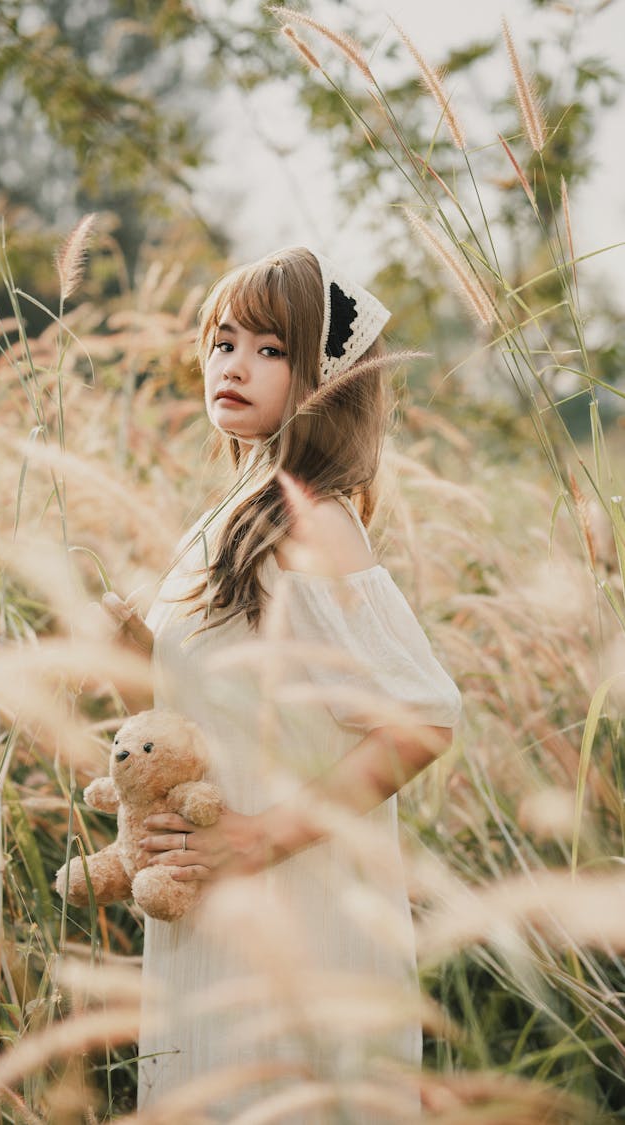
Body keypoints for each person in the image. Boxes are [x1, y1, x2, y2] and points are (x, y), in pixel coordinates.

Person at [104, 246, 462, 1122]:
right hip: (215, 906)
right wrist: (127, 643)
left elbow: (419, 722)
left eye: (271, 348)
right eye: (223, 340)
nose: (234, 363)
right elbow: (221, 700)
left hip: (289, 911)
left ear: (324, 381)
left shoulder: (314, 523)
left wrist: (261, 840)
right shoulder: (237, 512)